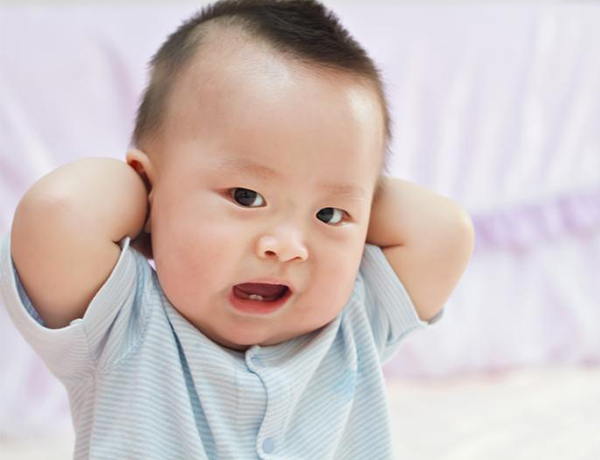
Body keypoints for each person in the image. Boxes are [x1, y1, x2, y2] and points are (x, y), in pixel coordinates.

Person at [0, 0, 475, 458]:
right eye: (246, 197)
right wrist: (155, 198)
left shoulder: (354, 324)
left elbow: (444, 232)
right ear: (146, 191)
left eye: (328, 216)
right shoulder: (120, 326)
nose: (289, 247)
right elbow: (59, 212)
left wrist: (353, 184)